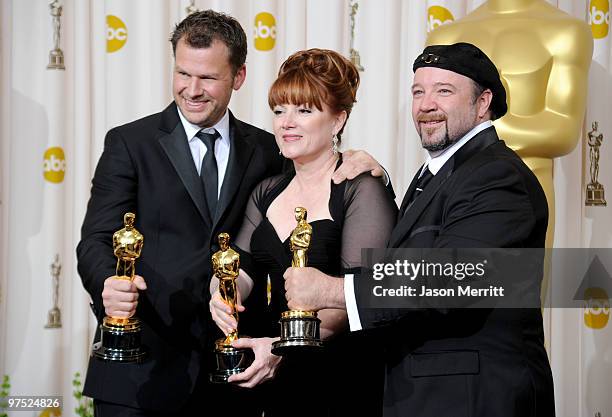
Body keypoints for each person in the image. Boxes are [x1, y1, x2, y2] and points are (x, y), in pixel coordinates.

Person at [76, 10, 386, 417]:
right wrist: (108, 284)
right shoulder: (130, 143)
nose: (192, 89)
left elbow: (325, 193)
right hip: (141, 372)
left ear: (238, 77)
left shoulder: (269, 152)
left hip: (237, 376)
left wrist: (362, 160)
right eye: (183, 74)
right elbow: (96, 240)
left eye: (208, 78)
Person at [283, 43, 554, 417]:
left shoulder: (497, 176)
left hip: (475, 399)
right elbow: (424, 240)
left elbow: (450, 277)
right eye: (417, 92)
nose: (426, 105)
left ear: (483, 102)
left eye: (444, 91)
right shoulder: (444, 173)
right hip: (429, 394)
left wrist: (330, 290)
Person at [208, 48, 397, 416]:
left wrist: (279, 347)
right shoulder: (268, 191)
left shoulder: (360, 187)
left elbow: (357, 295)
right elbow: (242, 267)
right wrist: (223, 293)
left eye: (304, 111)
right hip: (275, 375)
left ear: (338, 120)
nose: (286, 122)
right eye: (280, 111)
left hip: (340, 379)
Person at [426, 0, 593, 246]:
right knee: (435, 279)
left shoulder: (566, 30)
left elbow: (563, 130)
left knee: (514, 283)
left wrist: (468, 126)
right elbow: (433, 120)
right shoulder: (445, 35)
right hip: (448, 186)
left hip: (524, 190)